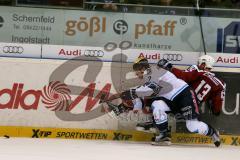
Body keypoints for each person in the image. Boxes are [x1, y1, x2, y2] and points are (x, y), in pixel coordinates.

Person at [117, 57, 221, 147]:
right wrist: (135, 106)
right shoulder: (149, 76)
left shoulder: (153, 71)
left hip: (184, 95)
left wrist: (128, 94)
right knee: (156, 105)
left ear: (143, 68)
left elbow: (149, 90)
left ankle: (213, 133)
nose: (136, 72)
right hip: (171, 100)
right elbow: (145, 93)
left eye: (136, 69)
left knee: (192, 126)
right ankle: (164, 135)